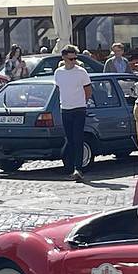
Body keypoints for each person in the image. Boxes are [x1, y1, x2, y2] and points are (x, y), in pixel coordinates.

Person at [54, 45, 92, 182]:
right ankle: (69, 167)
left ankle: (78, 168)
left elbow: (88, 90)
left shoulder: (81, 72)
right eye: (71, 58)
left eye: (76, 58)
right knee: (69, 139)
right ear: (64, 58)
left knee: (78, 138)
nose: (74, 61)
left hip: (79, 108)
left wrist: (82, 102)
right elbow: (58, 88)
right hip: (65, 109)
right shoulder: (58, 72)